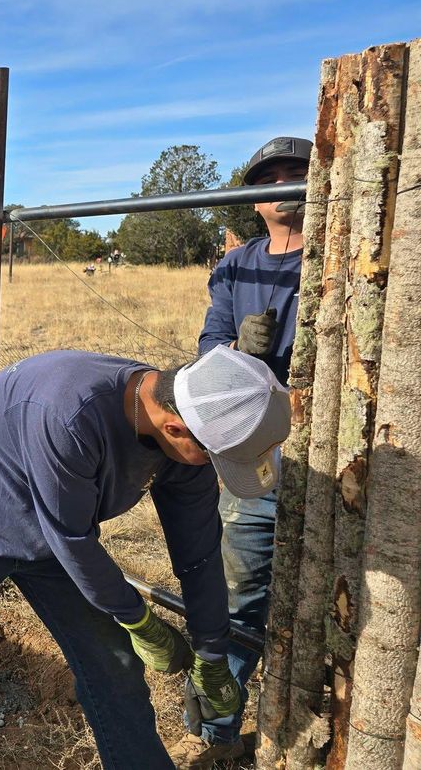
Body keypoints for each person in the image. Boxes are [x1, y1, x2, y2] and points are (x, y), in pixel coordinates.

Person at [0, 346, 291, 770]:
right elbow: (72, 538)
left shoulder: (187, 433)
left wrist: (210, 649)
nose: (210, 469)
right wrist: (139, 620)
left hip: (52, 534)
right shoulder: (70, 415)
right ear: (174, 429)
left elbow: (199, 554)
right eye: (212, 458)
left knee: (114, 666)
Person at [167, 135, 310, 768]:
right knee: (242, 589)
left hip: (328, 442)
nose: (283, 186)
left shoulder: (344, 254)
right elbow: (209, 348)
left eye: (297, 173)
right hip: (257, 450)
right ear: (253, 199)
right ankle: (220, 734)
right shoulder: (235, 266)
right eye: (270, 178)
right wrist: (237, 354)